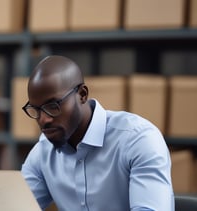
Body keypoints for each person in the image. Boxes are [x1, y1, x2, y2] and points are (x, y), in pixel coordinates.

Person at [21, 55, 174, 211]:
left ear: (82, 94)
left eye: (53, 106)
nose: (43, 119)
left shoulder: (138, 140)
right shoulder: (43, 153)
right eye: (36, 110)